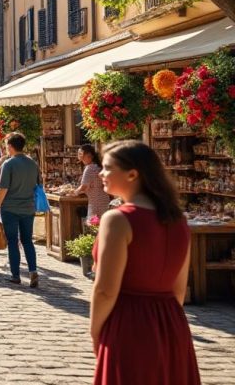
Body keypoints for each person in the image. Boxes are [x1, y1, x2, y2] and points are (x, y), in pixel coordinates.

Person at [91, 140, 200, 384]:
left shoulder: (117, 219)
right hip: (171, 325)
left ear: (132, 174)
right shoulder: (178, 220)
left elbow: (106, 290)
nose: (101, 173)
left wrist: (96, 332)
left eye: (108, 168)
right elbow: (179, 290)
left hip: (129, 323)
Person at [0, 132, 40, 287]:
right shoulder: (33, 163)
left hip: (10, 208)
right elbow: (37, 185)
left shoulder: (9, 164)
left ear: (10, 146)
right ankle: (33, 271)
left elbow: (2, 188)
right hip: (28, 207)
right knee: (27, 241)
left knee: (12, 241)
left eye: (6, 145)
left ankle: (15, 275)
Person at [77, 144, 110, 219]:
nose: (81, 159)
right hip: (104, 200)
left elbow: (83, 186)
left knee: (93, 226)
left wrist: (74, 193)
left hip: (96, 203)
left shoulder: (89, 168)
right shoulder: (98, 166)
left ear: (89, 156)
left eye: (82, 155)